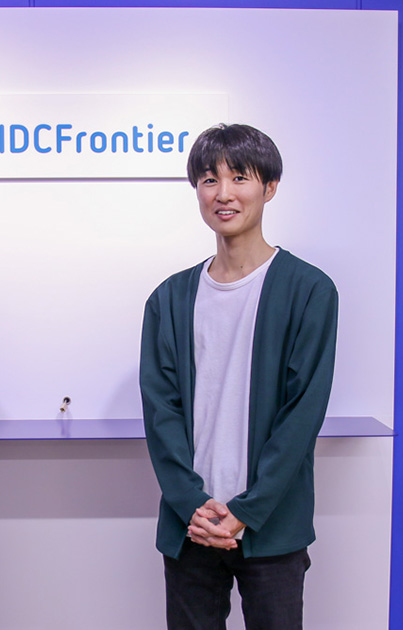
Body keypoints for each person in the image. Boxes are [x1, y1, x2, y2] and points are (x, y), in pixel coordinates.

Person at [140, 124, 338, 630]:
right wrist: (192, 504)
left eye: (240, 178)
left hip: (271, 526)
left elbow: (302, 414)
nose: (223, 193)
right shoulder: (168, 299)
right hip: (192, 526)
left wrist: (248, 509)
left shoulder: (309, 290)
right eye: (209, 180)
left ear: (269, 188)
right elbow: (161, 414)